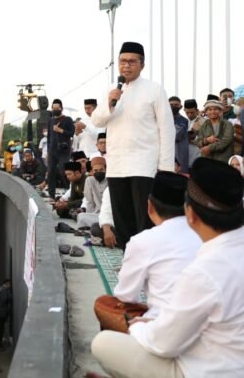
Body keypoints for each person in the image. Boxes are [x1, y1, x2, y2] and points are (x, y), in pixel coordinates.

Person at [91, 158, 244, 377]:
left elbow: (163, 344)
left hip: (206, 370)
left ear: (190, 213)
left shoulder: (205, 271)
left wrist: (137, 326)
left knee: (103, 342)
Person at [91, 42, 175, 248]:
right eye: (122, 61)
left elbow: (167, 129)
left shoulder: (154, 90)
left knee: (145, 221)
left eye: (131, 61)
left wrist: (165, 170)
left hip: (144, 165)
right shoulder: (112, 91)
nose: (126, 66)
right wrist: (110, 103)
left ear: (142, 64)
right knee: (123, 221)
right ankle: (130, 264)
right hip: (118, 165)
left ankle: (149, 266)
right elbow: (96, 120)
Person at [96, 171, 201, 326]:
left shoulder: (142, 241)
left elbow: (125, 296)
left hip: (164, 329)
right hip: (208, 327)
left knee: (104, 305)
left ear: (149, 207)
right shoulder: (206, 237)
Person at [47, 99, 75, 197]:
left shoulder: (68, 119)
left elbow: (72, 133)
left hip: (63, 151)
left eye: (57, 108)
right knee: (50, 173)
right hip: (52, 151)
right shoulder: (51, 120)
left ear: (61, 108)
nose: (55, 110)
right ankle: (51, 196)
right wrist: (48, 151)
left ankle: (70, 192)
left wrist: (60, 130)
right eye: (53, 108)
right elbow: (49, 136)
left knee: (63, 171)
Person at [197, 95, 235, 163]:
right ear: (206, 112)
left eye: (215, 109)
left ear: (220, 111)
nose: (213, 112)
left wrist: (209, 148)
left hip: (223, 159)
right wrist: (206, 140)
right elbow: (198, 142)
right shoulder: (204, 125)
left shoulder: (227, 124)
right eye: (210, 109)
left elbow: (226, 141)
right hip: (208, 159)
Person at [168, 96, 190, 174]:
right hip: (166, 153)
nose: (173, 106)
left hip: (179, 153)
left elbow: (177, 136)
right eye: (171, 105)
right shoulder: (162, 119)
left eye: (176, 105)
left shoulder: (184, 121)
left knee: (180, 177)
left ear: (180, 106)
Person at [0, 280, 12, 349]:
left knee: (0, 329)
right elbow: (5, 299)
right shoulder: (2, 290)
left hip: (1, 313)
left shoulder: (3, 289)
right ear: (6, 284)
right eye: (9, 284)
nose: (10, 285)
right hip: (0, 314)